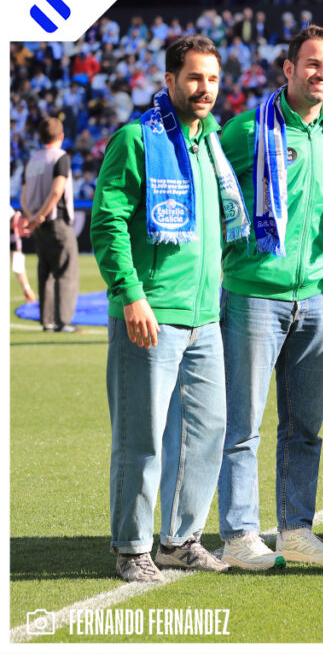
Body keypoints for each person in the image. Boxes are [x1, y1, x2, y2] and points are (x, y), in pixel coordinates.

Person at [92, 34, 246, 582]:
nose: (205, 89)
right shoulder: (137, 140)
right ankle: (132, 547)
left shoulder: (212, 144)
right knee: (142, 436)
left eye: (212, 79)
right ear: (169, 80)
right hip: (151, 315)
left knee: (205, 435)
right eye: (194, 78)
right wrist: (130, 294)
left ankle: (180, 540)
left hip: (206, 317)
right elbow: (107, 223)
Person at [216, 25, 323, 570]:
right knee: (243, 424)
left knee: (305, 427)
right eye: (313, 64)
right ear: (288, 69)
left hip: (319, 297)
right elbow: (211, 187)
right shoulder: (247, 129)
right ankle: (239, 533)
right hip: (253, 296)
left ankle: (295, 529)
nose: (322, 74)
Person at [22, 117, 79, 332]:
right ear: (61, 136)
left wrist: (32, 218)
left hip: (39, 225)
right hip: (56, 220)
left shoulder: (32, 160)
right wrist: (42, 215)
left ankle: (46, 320)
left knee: (44, 271)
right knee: (66, 270)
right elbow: (57, 190)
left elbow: (24, 197)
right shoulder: (60, 157)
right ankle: (63, 321)